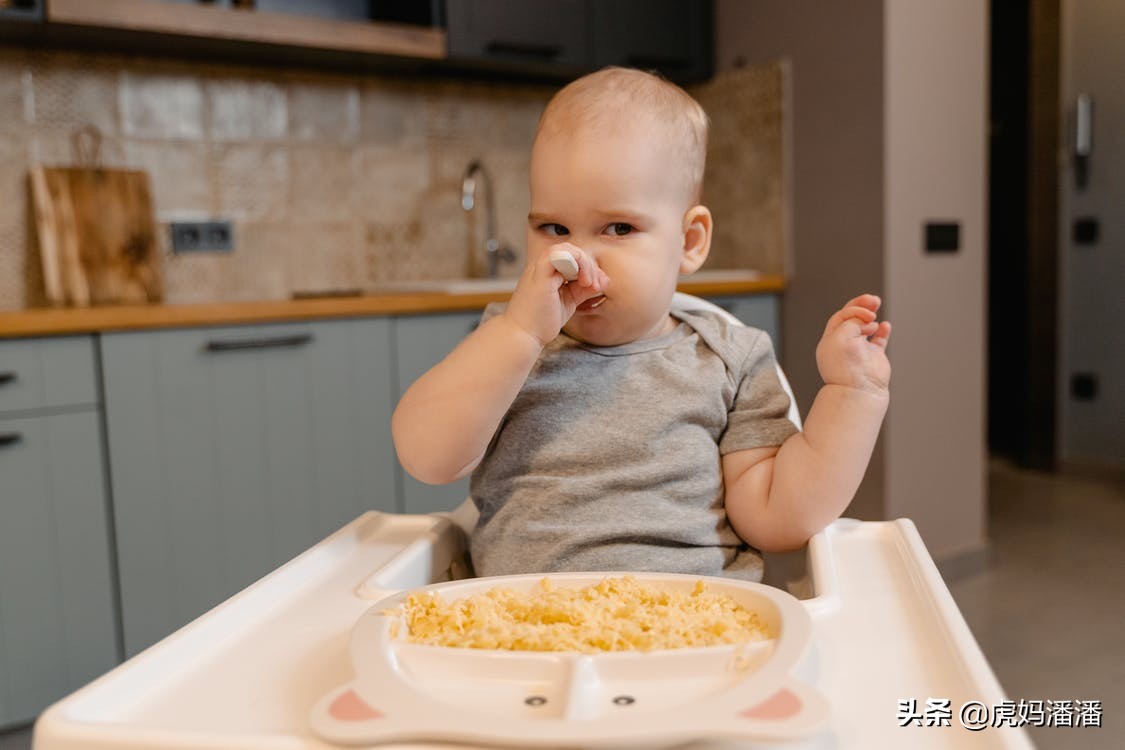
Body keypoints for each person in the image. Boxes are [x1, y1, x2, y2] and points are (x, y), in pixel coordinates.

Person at [392, 67, 891, 580]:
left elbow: (775, 516)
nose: (575, 257)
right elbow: (428, 458)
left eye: (619, 228)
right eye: (554, 227)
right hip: (524, 630)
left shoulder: (730, 359)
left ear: (690, 241)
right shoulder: (509, 344)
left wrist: (853, 396)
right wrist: (519, 334)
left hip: (692, 630)